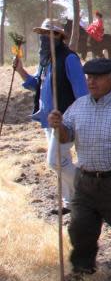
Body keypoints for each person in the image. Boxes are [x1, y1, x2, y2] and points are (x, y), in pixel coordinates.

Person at [48, 58, 111, 281]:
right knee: (80, 228)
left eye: (97, 77)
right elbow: (66, 137)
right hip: (86, 182)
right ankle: (82, 268)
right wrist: (58, 126)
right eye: (88, 77)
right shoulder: (78, 106)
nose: (91, 82)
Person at [13, 19, 88, 214]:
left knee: (55, 162)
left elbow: (81, 93)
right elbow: (35, 85)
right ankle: (70, 203)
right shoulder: (45, 60)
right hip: (48, 119)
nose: (44, 38)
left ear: (58, 37)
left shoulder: (69, 59)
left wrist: (78, 119)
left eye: (48, 34)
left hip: (64, 120)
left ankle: (87, 186)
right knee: (61, 162)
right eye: (42, 35)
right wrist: (20, 70)